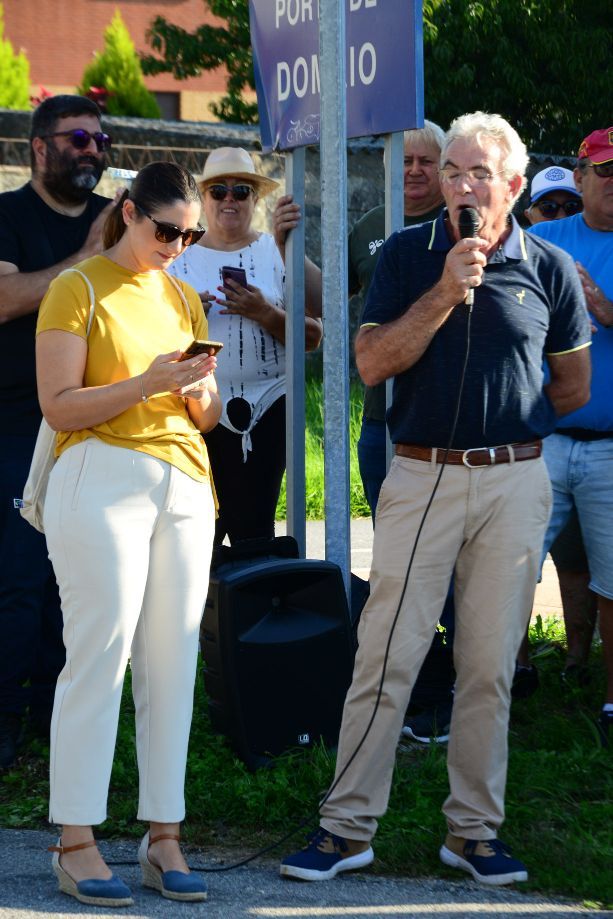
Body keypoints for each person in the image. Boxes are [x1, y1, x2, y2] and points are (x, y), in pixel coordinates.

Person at [280, 112, 590, 886]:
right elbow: (372, 362)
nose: (461, 184)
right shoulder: (401, 256)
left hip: (516, 480)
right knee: (386, 653)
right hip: (420, 474)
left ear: (514, 185)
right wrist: (447, 291)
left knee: (486, 666)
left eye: (479, 172)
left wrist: (509, 434)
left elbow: (572, 386)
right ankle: (345, 826)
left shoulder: (548, 267)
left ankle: (473, 833)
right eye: (452, 170)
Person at [37, 161, 220, 905]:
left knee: (173, 660)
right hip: (99, 475)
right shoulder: (75, 287)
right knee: (99, 654)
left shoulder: (182, 294)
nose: (176, 244)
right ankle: (75, 838)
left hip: (183, 481)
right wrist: (146, 383)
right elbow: (59, 407)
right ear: (127, 210)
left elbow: (206, 413)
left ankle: (163, 834)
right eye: (164, 229)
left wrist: (201, 391)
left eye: (190, 233)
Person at [0, 95, 115, 770]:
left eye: (102, 140)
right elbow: (6, 298)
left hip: (93, 423)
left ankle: (55, 719)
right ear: (39, 148)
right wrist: (86, 254)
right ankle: (6, 718)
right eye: (78, 138)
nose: (93, 150)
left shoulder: (115, 221)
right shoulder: (9, 217)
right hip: (17, 425)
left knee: (69, 582)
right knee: (16, 579)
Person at [168, 146, 322, 546]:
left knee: (255, 529)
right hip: (197, 409)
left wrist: (265, 313)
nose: (229, 200)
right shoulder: (176, 255)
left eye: (241, 191)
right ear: (202, 199)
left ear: (257, 198)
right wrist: (185, 314)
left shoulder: (276, 249)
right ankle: (203, 609)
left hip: (271, 404)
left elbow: (317, 331)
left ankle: (249, 608)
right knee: (200, 530)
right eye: (218, 191)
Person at [528, 126, 613, 743]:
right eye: (606, 172)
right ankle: (500, 689)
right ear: (579, 177)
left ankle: (610, 703)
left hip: (612, 446)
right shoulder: (542, 239)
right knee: (509, 570)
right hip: (545, 439)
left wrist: (609, 313)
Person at [514, 168, 594, 693]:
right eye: (549, 207)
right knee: (515, 562)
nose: (558, 217)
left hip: (593, 441)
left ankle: (578, 662)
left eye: (568, 207)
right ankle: (516, 668)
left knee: (578, 564)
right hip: (538, 439)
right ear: (530, 213)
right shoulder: (526, 257)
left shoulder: (578, 255)